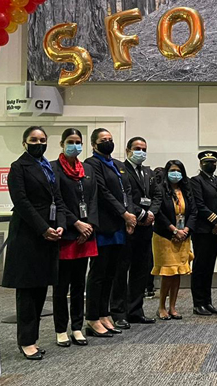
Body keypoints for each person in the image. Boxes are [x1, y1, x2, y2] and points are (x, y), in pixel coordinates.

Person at [3, 126, 67, 360]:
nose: (38, 143)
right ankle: (26, 341)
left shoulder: (48, 168)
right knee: (28, 292)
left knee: (41, 289)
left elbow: (58, 200)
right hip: (29, 236)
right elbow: (21, 202)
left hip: (50, 236)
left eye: (42, 140)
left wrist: (61, 224)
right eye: (33, 139)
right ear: (24, 143)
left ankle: (34, 338)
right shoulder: (18, 168)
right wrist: (43, 229)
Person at [84, 129, 141, 337]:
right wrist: (124, 214)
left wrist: (131, 216)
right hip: (104, 226)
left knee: (111, 273)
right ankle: (92, 317)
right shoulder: (91, 164)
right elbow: (103, 192)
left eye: (110, 140)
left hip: (120, 227)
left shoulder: (118, 165)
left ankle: (104, 313)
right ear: (94, 144)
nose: (107, 143)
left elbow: (127, 192)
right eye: (103, 140)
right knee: (98, 274)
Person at [51, 129, 99, 348]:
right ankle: (61, 329)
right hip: (67, 233)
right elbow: (57, 200)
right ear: (62, 144)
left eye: (78, 142)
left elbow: (93, 199)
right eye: (70, 142)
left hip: (86, 234)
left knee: (80, 285)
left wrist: (89, 226)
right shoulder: (53, 168)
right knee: (62, 287)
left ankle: (77, 327)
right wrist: (75, 224)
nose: (75, 146)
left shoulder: (87, 168)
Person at [112, 137, 159, 327]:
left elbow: (157, 196)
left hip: (146, 228)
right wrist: (140, 214)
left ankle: (135, 310)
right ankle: (118, 312)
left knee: (141, 270)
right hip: (129, 227)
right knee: (121, 271)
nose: (141, 152)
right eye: (137, 148)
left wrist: (152, 213)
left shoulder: (148, 172)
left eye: (144, 149)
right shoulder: (121, 171)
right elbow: (124, 197)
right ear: (128, 150)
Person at [152, 160, 196, 320]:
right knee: (168, 272)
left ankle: (173, 307)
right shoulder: (160, 190)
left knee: (178, 272)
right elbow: (158, 213)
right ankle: (162, 307)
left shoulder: (186, 189)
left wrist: (186, 229)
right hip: (165, 236)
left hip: (183, 236)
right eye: (172, 170)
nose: (175, 173)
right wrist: (174, 229)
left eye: (178, 170)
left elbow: (193, 212)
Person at [190, 151, 217, 315]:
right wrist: (215, 220)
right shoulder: (196, 181)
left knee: (210, 265)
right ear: (201, 164)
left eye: (213, 162)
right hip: (202, 229)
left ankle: (208, 301)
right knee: (200, 266)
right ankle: (198, 303)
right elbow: (199, 204)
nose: (210, 164)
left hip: (216, 230)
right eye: (207, 162)